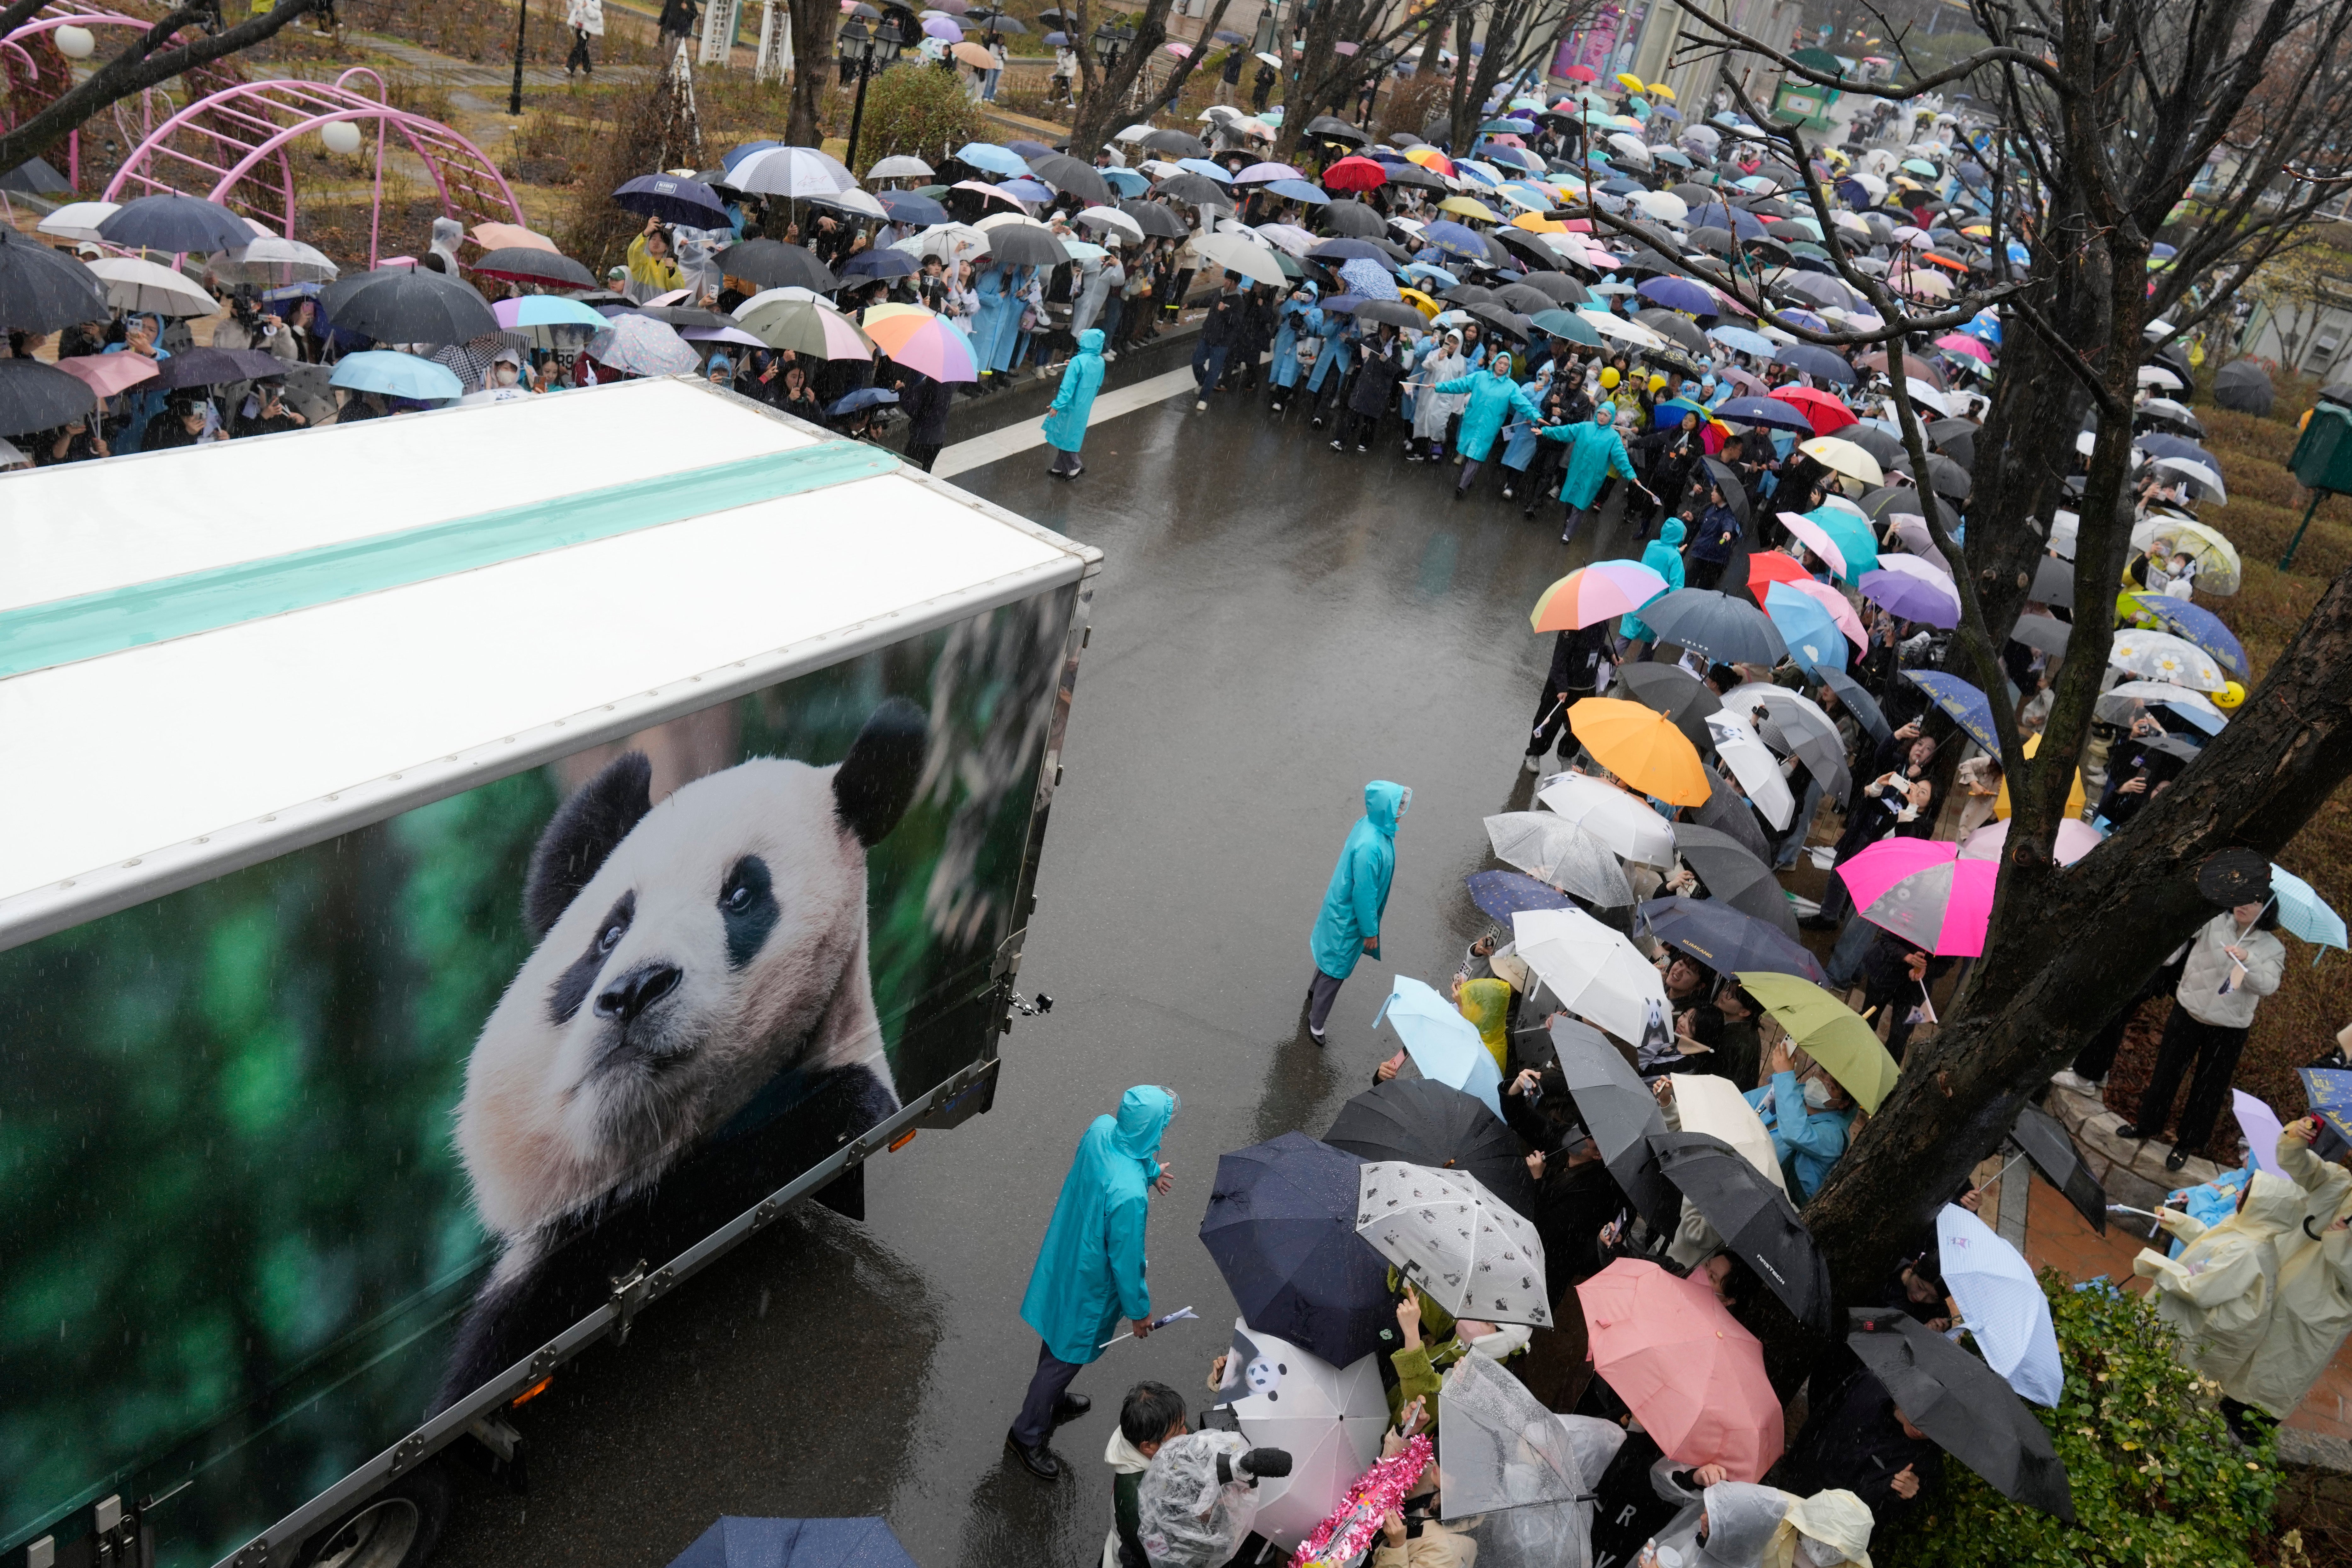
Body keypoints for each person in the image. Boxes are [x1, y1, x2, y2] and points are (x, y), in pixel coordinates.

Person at [1010, 1085, 1179, 1480]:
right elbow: (1127, 1261)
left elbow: (1121, 1156)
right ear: (1152, 1132)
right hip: (1091, 1282)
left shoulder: (1102, 1128)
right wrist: (1140, 1313)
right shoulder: (1130, 1197)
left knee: (1057, 1335)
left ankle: (1049, 1400)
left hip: (1068, 1253)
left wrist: (1151, 1171)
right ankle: (1027, 1433)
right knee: (1067, 1356)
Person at [2118, 901, 2286, 1169]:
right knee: (2166, 1071)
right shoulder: (2215, 920)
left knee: (2209, 1088)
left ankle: (2186, 1144)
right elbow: (2184, 925)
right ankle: (2147, 1124)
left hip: (2228, 1029)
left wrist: (2248, 960)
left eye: (2254, 902)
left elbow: (2268, 986)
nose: (2243, 905)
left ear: (2267, 910)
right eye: (2242, 897)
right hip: (2188, 1012)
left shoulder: (2273, 949)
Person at [2134, 1170, 2304, 1396]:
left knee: (2157, 1384)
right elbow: (2214, 1244)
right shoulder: (2251, 1231)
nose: (2238, 1193)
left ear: (2263, 1206)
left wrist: (2156, 1264)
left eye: (2247, 1192)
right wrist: (2179, 1223)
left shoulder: (2247, 1252)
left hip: (2195, 1331)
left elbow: (2199, 1291)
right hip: (2197, 1324)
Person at [1305, 781, 1409, 1045]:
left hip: (1340, 908)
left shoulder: (1369, 825)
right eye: (1397, 804)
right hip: (1349, 919)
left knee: (1329, 958)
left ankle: (1313, 991)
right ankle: (1316, 1023)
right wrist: (1370, 932)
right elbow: (1364, 894)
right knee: (1337, 968)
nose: (1402, 809)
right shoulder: (1371, 846)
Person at [1746, 1039, 1853, 1200]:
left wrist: (1784, 1076)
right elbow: (1747, 1103)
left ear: (1843, 1104)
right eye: (1822, 1073)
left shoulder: (1835, 1138)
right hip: (1746, 1169)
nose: (1821, 1083)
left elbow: (1795, 1133)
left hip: (1773, 1200)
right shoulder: (1800, 1092)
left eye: (1831, 1086)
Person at [1437, 351, 1541, 500]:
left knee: (1477, 455)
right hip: (1472, 421)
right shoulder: (1480, 377)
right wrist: (1438, 386)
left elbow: (1523, 404)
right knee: (1468, 452)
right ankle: (1468, 479)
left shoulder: (1511, 387)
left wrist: (1536, 416)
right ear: (1495, 363)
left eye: (1506, 365)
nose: (1503, 367)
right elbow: (1459, 384)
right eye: (1501, 363)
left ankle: (1462, 486)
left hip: (1489, 427)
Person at [1106, 1382, 1188, 1568]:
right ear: (1148, 1447)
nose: (1187, 1434)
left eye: (1184, 1425)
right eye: (1178, 1434)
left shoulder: (1158, 1426)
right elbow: (1159, 1554)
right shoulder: (1136, 1501)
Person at [1542, 399, 1640, 543]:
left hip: (1593, 476)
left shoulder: (1613, 438)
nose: (1602, 417)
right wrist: (1544, 431)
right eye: (1600, 413)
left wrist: (1631, 475)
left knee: (1580, 504)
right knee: (1570, 500)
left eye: (1606, 415)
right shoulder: (1585, 427)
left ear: (1611, 418)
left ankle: (1568, 534)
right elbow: (1565, 431)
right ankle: (1569, 519)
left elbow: (1621, 458)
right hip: (1576, 470)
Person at [1525, 619, 1613, 772]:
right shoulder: (1573, 622)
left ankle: (1566, 756)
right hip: (1563, 686)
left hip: (1587, 685)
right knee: (1549, 721)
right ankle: (1534, 753)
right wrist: (1561, 686)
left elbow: (1598, 644)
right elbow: (1559, 658)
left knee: (1578, 727)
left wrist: (1611, 654)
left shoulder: (1604, 621)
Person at [1620, 518, 1687, 661]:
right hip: (1657, 606)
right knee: (1650, 645)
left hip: (1638, 597)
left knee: (1626, 635)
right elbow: (1677, 588)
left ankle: (1610, 668)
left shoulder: (1652, 545)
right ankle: (1640, 675)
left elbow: (1664, 550)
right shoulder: (1676, 559)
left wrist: (1675, 551)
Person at [1044, 327, 1107, 478]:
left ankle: (1075, 466)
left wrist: (1057, 405)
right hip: (1084, 403)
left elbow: (1068, 387)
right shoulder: (1100, 361)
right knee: (1070, 434)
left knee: (1065, 435)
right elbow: (1097, 382)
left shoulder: (1078, 362)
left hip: (1070, 404)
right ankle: (1060, 467)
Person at [1192, 273, 1242, 410]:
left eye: (1229, 280)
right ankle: (1202, 382)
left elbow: (1237, 322)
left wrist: (1225, 311)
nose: (1226, 282)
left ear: (1236, 284)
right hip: (1207, 336)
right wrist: (1190, 304)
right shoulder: (1218, 293)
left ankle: (1204, 398)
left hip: (1222, 342)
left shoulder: (1238, 301)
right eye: (1225, 279)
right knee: (1196, 361)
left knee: (1215, 370)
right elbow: (1205, 301)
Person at [1685, 485, 1743, 591]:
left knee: (1704, 589)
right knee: (1688, 583)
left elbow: (1728, 522)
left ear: (1723, 495)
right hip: (1701, 552)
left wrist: (1727, 532)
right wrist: (1694, 519)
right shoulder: (1712, 508)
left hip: (1713, 559)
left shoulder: (1729, 513)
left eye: (1716, 492)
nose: (1712, 493)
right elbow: (1705, 524)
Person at [565, 0, 602, 75]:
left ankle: (570, 66)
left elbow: (595, 14)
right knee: (583, 46)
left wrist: (586, 7)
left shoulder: (595, 1)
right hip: (579, 23)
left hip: (588, 26)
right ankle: (587, 67)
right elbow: (571, 8)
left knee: (581, 45)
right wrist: (570, 2)